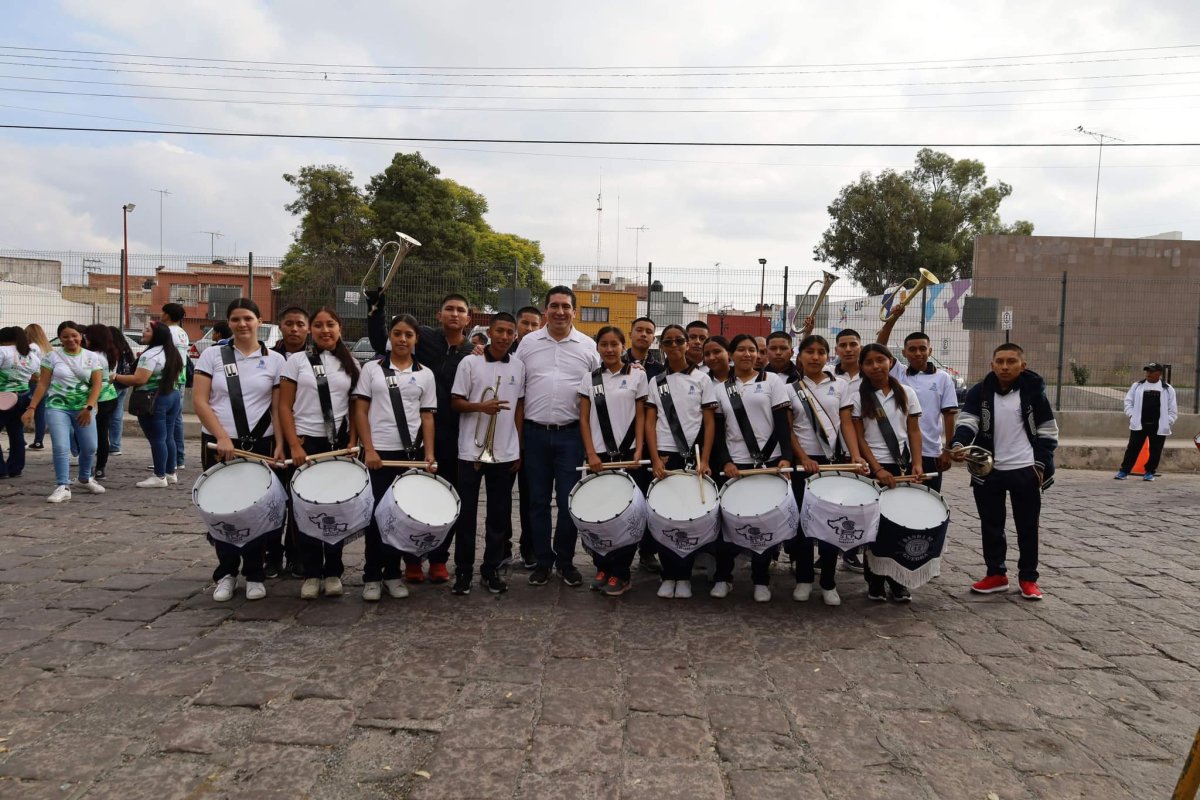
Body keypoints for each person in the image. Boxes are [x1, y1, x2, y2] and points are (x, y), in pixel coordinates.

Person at [370, 294, 473, 585]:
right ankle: (412, 560)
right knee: (411, 498)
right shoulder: (423, 337)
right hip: (416, 436)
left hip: (454, 437)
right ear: (439, 315)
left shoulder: (473, 353)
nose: (454, 314)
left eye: (460, 310)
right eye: (449, 309)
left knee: (447, 499)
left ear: (468, 318)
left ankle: (439, 559)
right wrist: (375, 310)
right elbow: (382, 342)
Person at [192, 299, 287, 602]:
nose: (242, 324)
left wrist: (281, 443)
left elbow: (278, 406)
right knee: (223, 509)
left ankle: (256, 572)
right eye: (235, 319)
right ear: (229, 322)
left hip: (261, 444)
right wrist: (221, 436)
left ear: (260, 320)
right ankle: (227, 572)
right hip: (220, 445)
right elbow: (200, 401)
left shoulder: (275, 360)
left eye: (248, 318)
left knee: (256, 511)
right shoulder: (212, 355)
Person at [951, 343, 1058, 601]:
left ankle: (1028, 578)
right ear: (992, 365)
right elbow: (968, 422)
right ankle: (996, 574)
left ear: (1023, 365)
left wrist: (1040, 464)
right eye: (1000, 361)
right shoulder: (980, 391)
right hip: (989, 469)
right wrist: (958, 444)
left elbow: (1048, 430)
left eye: (1011, 361)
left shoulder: (1034, 393)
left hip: (1025, 469)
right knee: (991, 525)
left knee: (1027, 528)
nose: (1005, 366)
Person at [514, 286, 601, 587]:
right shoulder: (527, 343)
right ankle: (542, 561)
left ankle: (564, 561)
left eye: (566, 306)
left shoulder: (588, 347)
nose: (560, 311)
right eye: (554, 306)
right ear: (545, 311)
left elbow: (599, 392)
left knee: (568, 503)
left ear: (574, 311)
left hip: (571, 436)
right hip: (535, 434)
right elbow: (517, 389)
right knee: (537, 502)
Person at [353, 313, 437, 602]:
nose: (402, 339)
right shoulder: (371, 370)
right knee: (377, 517)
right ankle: (372, 576)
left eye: (408, 335)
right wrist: (370, 449)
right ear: (390, 336)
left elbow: (426, 416)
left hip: (409, 456)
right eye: (397, 333)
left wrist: (428, 455)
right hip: (379, 455)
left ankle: (393, 574)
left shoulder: (426, 374)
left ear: (416, 339)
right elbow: (361, 411)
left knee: (400, 519)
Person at [278, 308, 360, 600]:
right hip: (305, 444)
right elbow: (284, 407)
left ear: (340, 328)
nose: (325, 330)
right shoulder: (296, 362)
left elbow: (355, 408)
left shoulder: (351, 364)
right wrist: (295, 446)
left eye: (331, 325)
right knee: (306, 509)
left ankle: (334, 571)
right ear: (311, 330)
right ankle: (312, 571)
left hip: (338, 447)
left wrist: (352, 442)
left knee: (335, 509)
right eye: (319, 325)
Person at [710, 334, 793, 602]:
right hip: (737, 463)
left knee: (763, 522)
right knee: (729, 522)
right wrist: (726, 461)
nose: (747, 354)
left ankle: (761, 579)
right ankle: (724, 576)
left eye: (753, 350)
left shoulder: (773, 382)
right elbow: (720, 432)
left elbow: (782, 423)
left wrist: (786, 457)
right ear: (731, 354)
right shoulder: (720, 388)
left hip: (770, 462)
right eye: (741, 350)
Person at [841, 342, 924, 602]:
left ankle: (898, 581)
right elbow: (860, 437)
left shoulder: (907, 393)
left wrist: (918, 464)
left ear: (890, 360)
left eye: (881, 360)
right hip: (872, 468)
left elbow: (913, 431)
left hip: (901, 466)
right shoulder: (858, 396)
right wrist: (876, 469)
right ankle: (875, 581)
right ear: (862, 367)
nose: (876, 366)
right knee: (875, 528)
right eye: (869, 362)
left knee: (900, 526)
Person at [450, 313, 525, 595]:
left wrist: (519, 447)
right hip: (470, 451)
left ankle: (491, 569)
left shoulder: (519, 365)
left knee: (499, 515)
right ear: (490, 332)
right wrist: (480, 407)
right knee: (466, 515)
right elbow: (456, 402)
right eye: (500, 331)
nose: (505, 336)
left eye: (510, 332)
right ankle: (463, 571)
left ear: (515, 336)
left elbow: (519, 407)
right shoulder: (470, 362)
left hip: (504, 451)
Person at [786, 334, 861, 606]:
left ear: (828, 356)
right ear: (800, 357)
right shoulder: (790, 388)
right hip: (803, 464)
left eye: (821, 352)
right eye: (809, 352)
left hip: (834, 462)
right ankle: (804, 579)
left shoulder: (841, 386)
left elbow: (847, 423)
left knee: (833, 523)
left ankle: (829, 581)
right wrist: (803, 457)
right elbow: (789, 429)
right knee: (804, 523)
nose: (815, 357)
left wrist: (855, 456)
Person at [646, 323, 716, 599]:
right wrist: (654, 459)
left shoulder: (702, 379)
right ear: (662, 347)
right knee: (665, 515)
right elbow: (651, 423)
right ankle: (668, 573)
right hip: (664, 454)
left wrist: (706, 459)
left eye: (679, 341)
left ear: (688, 344)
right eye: (668, 342)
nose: (674, 346)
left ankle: (684, 575)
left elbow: (710, 423)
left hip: (693, 454)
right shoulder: (656, 382)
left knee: (688, 518)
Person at [578, 325, 648, 596]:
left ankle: (622, 572)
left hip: (630, 455)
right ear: (597, 348)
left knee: (626, 516)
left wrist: (639, 450)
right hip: (598, 456)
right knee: (599, 514)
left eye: (614, 344)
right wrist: (591, 454)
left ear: (623, 346)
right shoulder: (589, 379)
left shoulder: (637, 376)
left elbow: (641, 415)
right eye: (604, 344)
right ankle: (603, 566)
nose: (609, 349)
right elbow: (584, 419)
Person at [21, 321, 105, 503]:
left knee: (90, 447)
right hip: (57, 407)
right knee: (61, 446)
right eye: (65, 336)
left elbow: (97, 385)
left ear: (81, 336)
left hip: (84, 407)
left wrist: (88, 408)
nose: (70, 339)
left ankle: (84, 477)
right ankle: (62, 485)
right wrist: (32, 408)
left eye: (74, 335)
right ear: (60, 338)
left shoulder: (92, 357)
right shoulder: (51, 356)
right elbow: (42, 383)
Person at [876, 308, 959, 493]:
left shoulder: (943, 378)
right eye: (912, 349)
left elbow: (948, 416)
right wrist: (893, 319)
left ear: (930, 350)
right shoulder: (897, 372)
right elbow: (879, 345)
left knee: (929, 499)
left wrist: (948, 450)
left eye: (922, 348)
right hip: (898, 449)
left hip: (930, 451)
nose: (918, 353)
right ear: (904, 353)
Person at [113, 322, 184, 487]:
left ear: (156, 335)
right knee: (168, 436)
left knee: (157, 438)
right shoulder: (172, 353)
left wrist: (115, 377)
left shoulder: (150, 355)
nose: (143, 333)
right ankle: (170, 472)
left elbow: (139, 379)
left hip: (153, 399)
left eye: (147, 330)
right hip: (172, 396)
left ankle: (159, 476)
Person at [268, 306, 312, 577]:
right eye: (289, 324)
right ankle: (271, 555)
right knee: (274, 499)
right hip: (271, 437)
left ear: (308, 328)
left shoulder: (318, 358)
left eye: (300, 324)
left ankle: (296, 554)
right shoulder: (270, 357)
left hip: (304, 436)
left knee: (300, 499)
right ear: (280, 326)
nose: (294, 329)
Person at [511, 305, 543, 568]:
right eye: (525, 324)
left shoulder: (540, 349)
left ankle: (531, 546)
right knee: (505, 498)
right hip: (503, 436)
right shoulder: (498, 354)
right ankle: (502, 548)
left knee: (534, 494)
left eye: (534, 324)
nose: (529, 329)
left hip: (531, 433)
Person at [832, 328, 865, 572]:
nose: (848, 349)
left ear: (860, 347)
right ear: (836, 350)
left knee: (857, 506)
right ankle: (828, 554)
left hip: (863, 448)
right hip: (834, 450)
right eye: (843, 345)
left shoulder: (872, 374)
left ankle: (852, 552)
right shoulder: (828, 375)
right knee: (835, 506)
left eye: (853, 344)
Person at [1115, 362, 1178, 481]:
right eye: (1147, 371)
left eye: (1151, 371)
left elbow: (1173, 410)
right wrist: (1132, 416)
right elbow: (1128, 402)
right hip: (1140, 424)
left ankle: (1149, 472)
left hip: (1158, 426)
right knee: (1132, 448)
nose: (1148, 374)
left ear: (1158, 374)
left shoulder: (1168, 389)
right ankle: (1124, 471)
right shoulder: (1137, 386)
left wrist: (1167, 421)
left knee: (1155, 450)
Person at [82, 325, 121, 480]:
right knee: (102, 433)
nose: (84, 338)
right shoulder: (110, 354)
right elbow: (112, 376)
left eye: (87, 335)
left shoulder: (91, 356)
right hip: (110, 395)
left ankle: (88, 468)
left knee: (89, 434)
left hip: (96, 398)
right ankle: (100, 469)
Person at [0, 327, 39, 478]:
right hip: (23, 396)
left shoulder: (2, 351)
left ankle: (1, 470)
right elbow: (36, 376)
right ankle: (15, 468)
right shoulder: (31, 356)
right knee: (16, 432)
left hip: (3, 397)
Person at [161, 303, 191, 471]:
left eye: (162, 312)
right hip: (180, 378)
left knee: (167, 420)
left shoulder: (167, 332)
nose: (160, 314)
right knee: (176, 419)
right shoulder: (182, 333)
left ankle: (167, 458)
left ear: (167, 315)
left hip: (169, 379)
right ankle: (179, 458)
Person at [106, 326, 136, 456]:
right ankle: (115, 445)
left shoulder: (111, 349)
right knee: (117, 416)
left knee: (105, 415)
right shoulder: (125, 349)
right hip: (124, 384)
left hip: (112, 384)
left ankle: (105, 444)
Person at [23, 324, 51, 449]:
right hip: (45, 383)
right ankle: (39, 441)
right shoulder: (47, 347)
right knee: (40, 413)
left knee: (23, 410)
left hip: (34, 382)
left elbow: (29, 363)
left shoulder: (32, 347)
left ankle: (20, 441)